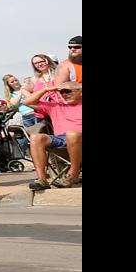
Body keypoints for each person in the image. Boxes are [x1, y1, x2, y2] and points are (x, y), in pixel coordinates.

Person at [20, 39, 82, 190]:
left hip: (79, 138)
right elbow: (27, 102)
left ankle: (73, 175)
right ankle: (42, 179)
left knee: (73, 134)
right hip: (62, 140)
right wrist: (48, 89)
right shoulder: (55, 106)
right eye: (62, 92)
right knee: (36, 138)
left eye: (68, 91)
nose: (64, 94)